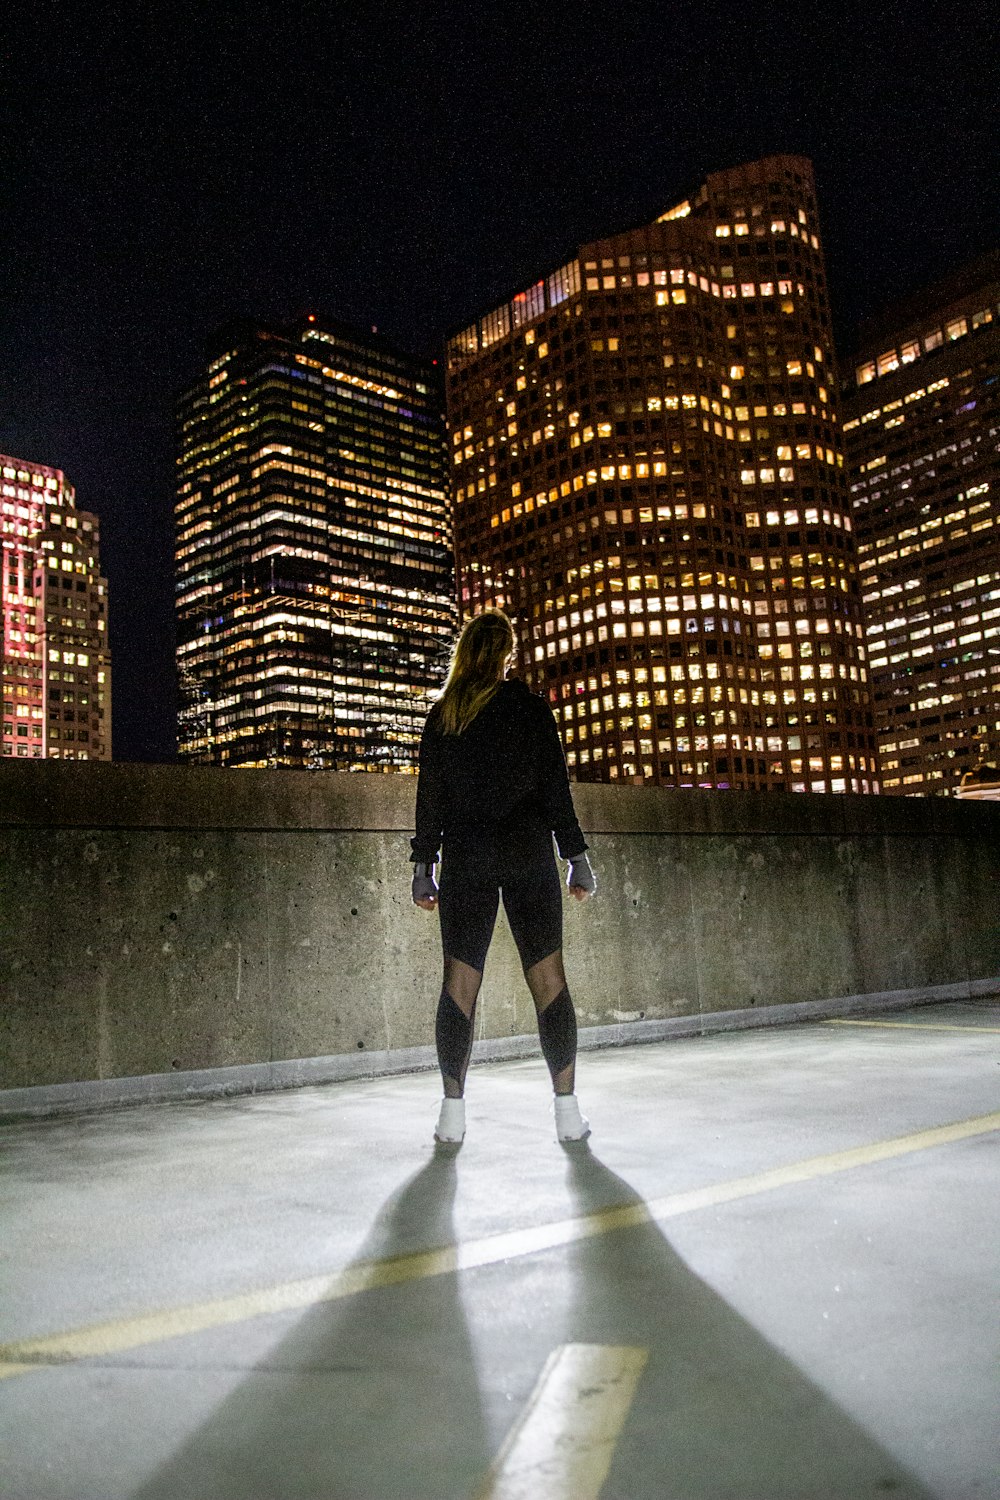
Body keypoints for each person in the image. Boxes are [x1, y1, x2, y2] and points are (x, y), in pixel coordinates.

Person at [410, 608, 596, 1145]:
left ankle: (451, 1115)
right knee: (549, 980)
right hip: (526, 853)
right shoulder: (530, 709)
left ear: (465, 653)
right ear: (507, 655)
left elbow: (431, 802)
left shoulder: (445, 715)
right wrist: (576, 857)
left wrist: (424, 867)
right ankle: (566, 1112)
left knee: (459, 984)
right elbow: (555, 790)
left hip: (467, 856)